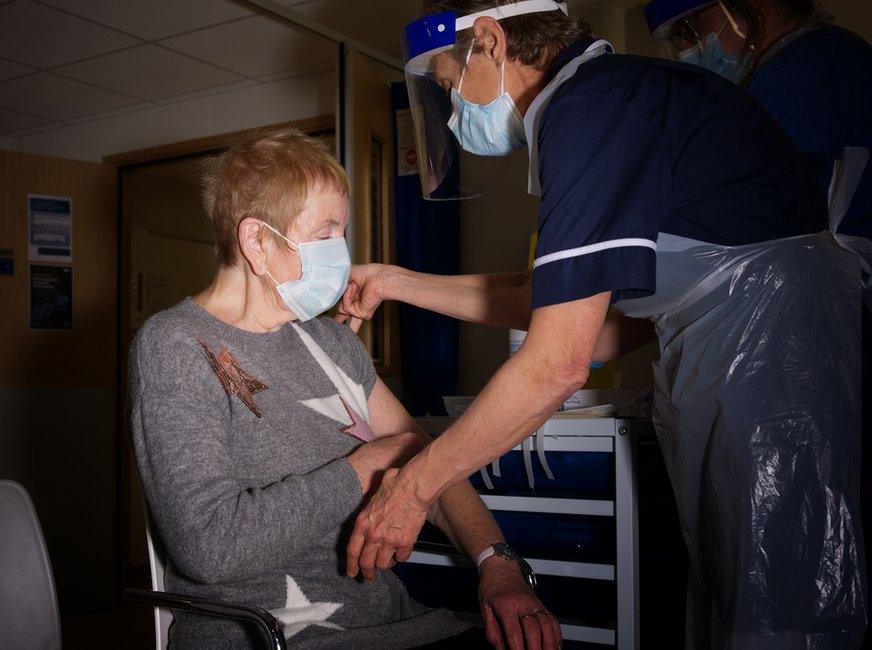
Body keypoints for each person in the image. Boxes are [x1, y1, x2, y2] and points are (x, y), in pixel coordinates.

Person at [336, 1, 864, 649]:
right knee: (747, 598)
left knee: (785, 612)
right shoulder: (618, 96)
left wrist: (414, 489)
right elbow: (559, 306)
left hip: (772, 372)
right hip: (750, 352)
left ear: (492, 41)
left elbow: (558, 363)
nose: (453, 112)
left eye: (449, 86)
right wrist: (391, 281)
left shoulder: (589, 113)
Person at [129, 129, 561, 650]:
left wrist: (497, 563)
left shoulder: (331, 343)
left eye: (343, 232)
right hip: (267, 635)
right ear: (256, 242)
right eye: (326, 232)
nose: (342, 252)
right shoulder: (174, 345)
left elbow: (426, 463)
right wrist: (366, 467)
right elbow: (210, 548)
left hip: (395, 622)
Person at [644, 3, 872, 644]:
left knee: (784, 566)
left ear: (746, 8)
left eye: (692, 31)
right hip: (814, 339)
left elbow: (759, 237)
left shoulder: (800, 79)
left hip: (797, 349)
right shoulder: (828, 62)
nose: (688, 50)